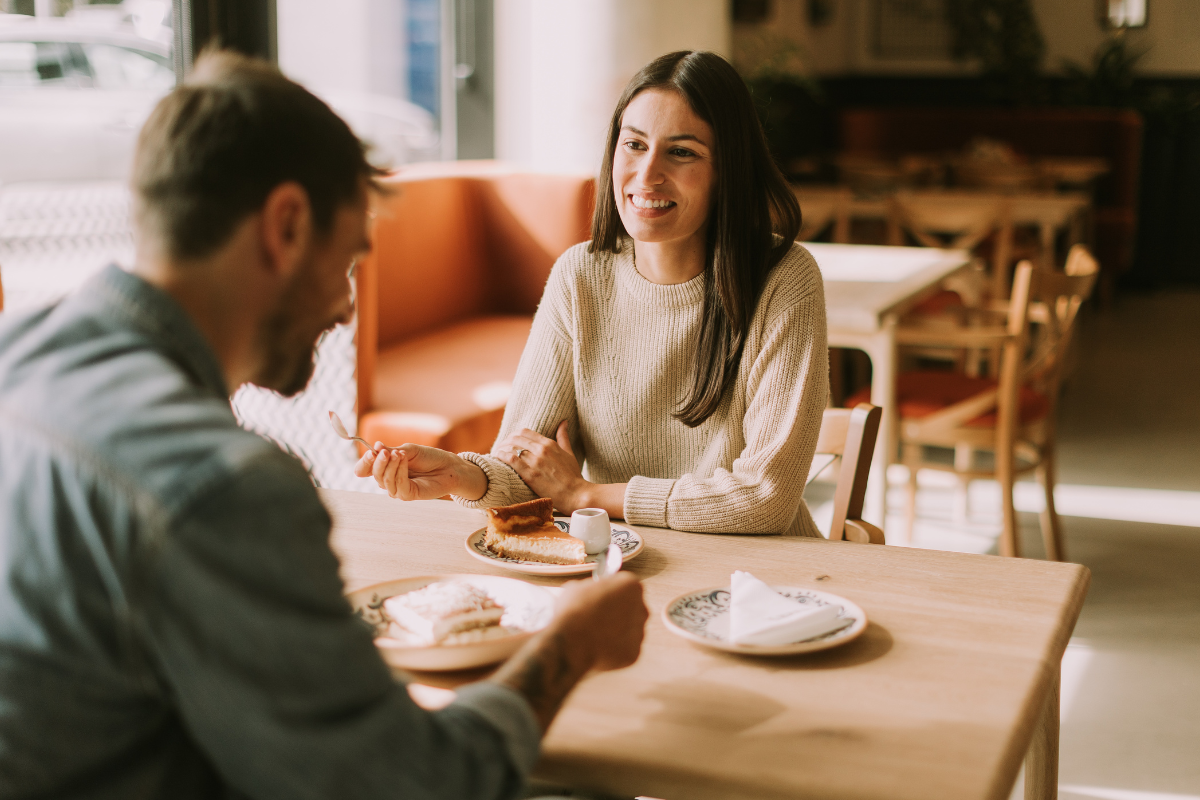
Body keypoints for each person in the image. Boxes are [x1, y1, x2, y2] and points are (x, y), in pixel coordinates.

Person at [0, 51, 646, 800]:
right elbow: (415, 785)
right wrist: (568, 646)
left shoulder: (19, 355)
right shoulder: (223, 485)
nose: (346, 306)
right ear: (286, 225)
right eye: (349, 260)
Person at [357, 50, 829, 538]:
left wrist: (585, 495)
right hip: (625, 562)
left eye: (682, 152)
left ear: (728, 170)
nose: (647, 176)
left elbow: (764, 499)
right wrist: (460, 476)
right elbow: (530, 470)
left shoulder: (784, 278)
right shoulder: (579, 276)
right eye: (635, 145)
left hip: (763, 578)